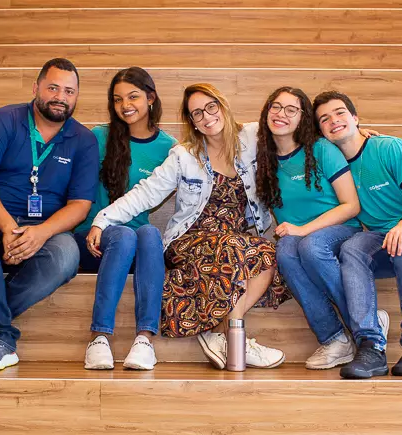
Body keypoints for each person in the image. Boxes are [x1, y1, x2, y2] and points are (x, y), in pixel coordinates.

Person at [88, 83, 290, 370]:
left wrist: (348, 137)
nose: (207, 117)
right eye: (197, 113)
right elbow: (145, 193)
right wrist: (103, 219)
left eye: (211, 107)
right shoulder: (184, 155)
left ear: (223, 106)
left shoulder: (252, 137)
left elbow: (290, 132)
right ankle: (235, 340)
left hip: (235, 238)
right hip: (190, 239)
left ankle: (222, 334)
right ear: (192, 122)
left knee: (267, 253)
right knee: (235, 249)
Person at [0, 58, 99, 371]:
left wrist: (40, 233)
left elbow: (80, 205)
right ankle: (1, 336)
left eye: (69, 91)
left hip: (41, 234)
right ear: (35, 88)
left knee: (67, 253)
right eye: (53, 87)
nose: (60, 96)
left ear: (76, 97)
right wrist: (7, 227)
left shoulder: (84, 140)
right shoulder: (2, 120)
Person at [314, 91, 402, 379]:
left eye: (340, 113)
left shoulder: (389, 147)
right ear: (320, 131)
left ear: (355, 118)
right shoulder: (333, 164)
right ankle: (371, 347)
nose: (334, 121)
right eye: (324, 119)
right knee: (352, 248)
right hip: (383, 237)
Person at [256, 86, 389, 370]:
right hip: (298, 236)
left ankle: (366, 320)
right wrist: (299, 232)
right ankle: (334, 338)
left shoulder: (321, 149)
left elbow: (351, 205)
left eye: (291, 110)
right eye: (276, 107)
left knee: (311, 245)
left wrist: (304, 229)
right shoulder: (264, 157)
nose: (281, 114)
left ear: (302, 118)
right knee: (285, 251)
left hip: (342, 229)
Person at [75, 67, 176, 370]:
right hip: (91, 241)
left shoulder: (168, 148)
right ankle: (99, 337)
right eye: (117, 99)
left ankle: (144, 340)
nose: (125, 105)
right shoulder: (98, 137)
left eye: (133, 97)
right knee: (123, 234)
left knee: (149, 234)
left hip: (135, 248)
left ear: (150, 98)